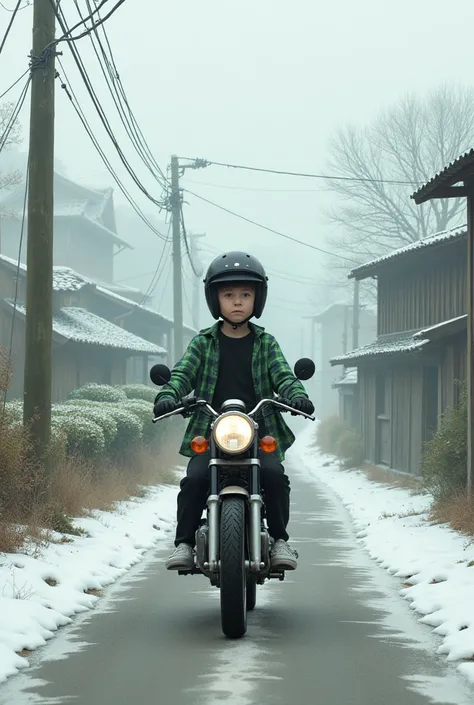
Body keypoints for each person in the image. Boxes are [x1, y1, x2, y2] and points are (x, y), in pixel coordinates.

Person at [153, 251, 315, 571]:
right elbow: (182, 374)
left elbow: (284, 376)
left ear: (258, 298)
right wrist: (168, 395)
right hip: (209, 427)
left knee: (274, 474)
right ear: (215, 300)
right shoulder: (203, 343)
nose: (237, 302)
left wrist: (298, 396)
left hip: (259, 428)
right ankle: (184, 543)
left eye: (245, 294)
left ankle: (280, 540)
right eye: (228, 295)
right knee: (196, 478)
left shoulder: (266, 343)